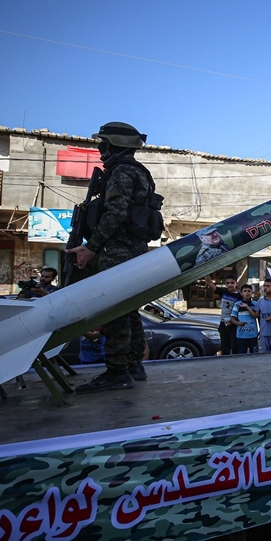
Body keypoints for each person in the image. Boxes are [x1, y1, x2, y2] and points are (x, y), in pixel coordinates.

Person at [66, 122, 160, 392]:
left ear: (113, 144)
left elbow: (116, 213)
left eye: (102, 143)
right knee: (128, 309)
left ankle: (118, 371)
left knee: (115, 310)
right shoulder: (136, 172)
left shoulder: (121, 172)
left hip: (119, 250)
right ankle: (132, 366)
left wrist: (91, 246)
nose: (99, 148)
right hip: (131, 249)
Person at [205, 274, 242, 355]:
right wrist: (206, 274)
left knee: (234, 345)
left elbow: (241, 312)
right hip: (223, 323)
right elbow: (209, 283)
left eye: (232, 283)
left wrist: (233, 321)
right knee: (224, 346)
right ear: (225, 284)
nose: (230, 285)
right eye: (228, 283)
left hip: (234, 324)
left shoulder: (240, 296)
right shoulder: (223, 293)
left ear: (236, 283)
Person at [233, 284, 259, 354]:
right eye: (245, 291)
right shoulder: (237, 304)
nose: (247, 293)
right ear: (241, 293)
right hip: (241, 336)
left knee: (254, 355)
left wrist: (247, 307)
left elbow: (256, 316)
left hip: (253, 335)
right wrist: (239, 323)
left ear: (252, 293)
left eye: (249, 291)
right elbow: (232, 319)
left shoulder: (255, 304)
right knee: (241, 355)